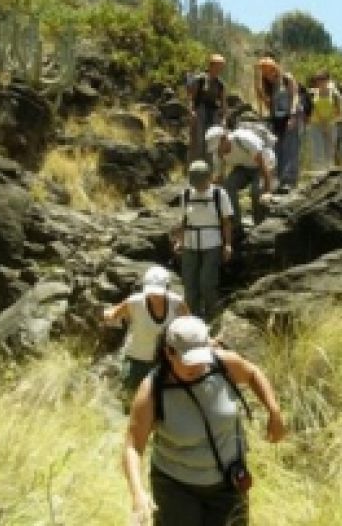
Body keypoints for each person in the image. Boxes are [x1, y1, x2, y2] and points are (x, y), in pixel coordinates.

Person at [123, 315, 285, 526]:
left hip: (229, 482)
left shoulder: (223, 364)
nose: (198, 366)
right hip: (176, 489)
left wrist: (274, 411)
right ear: (169, 352)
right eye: (189, 360)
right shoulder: (153, 390)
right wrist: (138, 493)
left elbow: (252, 373)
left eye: (201, 357)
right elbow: (133, 446)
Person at [100, 265, 189, 398]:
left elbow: (189, 325)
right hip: (136, 359)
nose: (155, 296)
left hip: (164, 360)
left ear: (167, 288)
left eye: (159, 293)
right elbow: (113, 314)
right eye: (152, 292)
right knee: (129, 397)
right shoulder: (134, 302)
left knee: (160, 398)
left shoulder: (177, 303)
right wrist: (106, 315)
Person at [173, 160, 234, 320]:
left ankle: (213, 317)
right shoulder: (186, 194)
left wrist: (227, 245)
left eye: (201, 181)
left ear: (209, 177)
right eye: (196, 182)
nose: (199, 185)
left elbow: (226, 222)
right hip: (190, 243)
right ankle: (192, 318)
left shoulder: (219, 194)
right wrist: (179, 241)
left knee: (207, 283)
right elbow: (183, 220)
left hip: (212, 243)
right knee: (189, 284)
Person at [205, 125, 274, 237]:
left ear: (224, 138)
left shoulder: (243, 140)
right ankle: (236, 227)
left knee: (257, 191)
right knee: (229, 186)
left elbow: (263, 164)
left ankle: (260, 226)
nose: (218, 150)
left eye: (218, 146)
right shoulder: (217, 154)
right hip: (243, 167)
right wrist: (204, 189)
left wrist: (267, 191)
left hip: (263, 165)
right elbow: (219, 178)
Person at [256, 57, 299, 190]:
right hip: (276, 119)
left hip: (290, 117)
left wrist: (293, 115)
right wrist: (262, 96)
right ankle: (279, 180)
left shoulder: (286, 78)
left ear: (274, 68)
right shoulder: (269, 85)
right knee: (277, 149)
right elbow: (270, 106)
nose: (267, 73)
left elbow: (295, 96)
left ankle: (289, 180)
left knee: (290, 148)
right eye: (264, 71)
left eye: (268, 69)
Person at [187, 54, 229, 164]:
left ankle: (208, 169)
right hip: (199, 112)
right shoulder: (199, 79)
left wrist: (224, 119)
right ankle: (195, 167)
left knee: (211, 141)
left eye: (221, 67)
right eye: (217, 66)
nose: (219, 70)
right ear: (211, 66)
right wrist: (191, 111)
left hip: (213, 114)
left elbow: (223, 104)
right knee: (198, 141)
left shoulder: (220, 84)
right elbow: (192, 98)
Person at [307, 71, 342, 170]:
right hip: (315, 125)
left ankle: (329, 173)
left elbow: (339, 112)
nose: (320, 82)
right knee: (317, 150)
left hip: (330, 125)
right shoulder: (312, 93)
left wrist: (329, 122)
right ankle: (318, 173)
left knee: (329, 151)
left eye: (323, 79)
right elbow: (309, 109)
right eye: (318, 79)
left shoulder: (335, 94)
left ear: (328, 80)